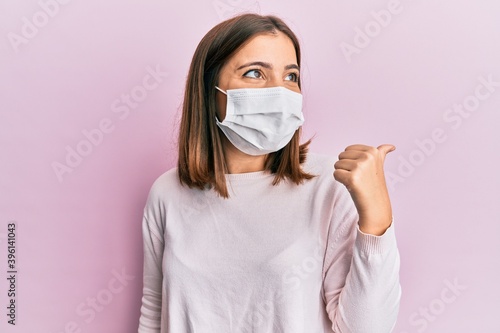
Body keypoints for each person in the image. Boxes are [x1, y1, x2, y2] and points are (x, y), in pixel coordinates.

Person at [138, 13, 401, 333]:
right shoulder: (166, 192)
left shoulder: (331, 186)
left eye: (291, 77)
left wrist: (376, 220)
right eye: (254, 73)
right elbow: (154, 310)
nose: (279, 91)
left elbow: (366, 329)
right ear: (210, 89)